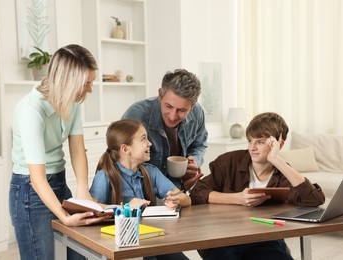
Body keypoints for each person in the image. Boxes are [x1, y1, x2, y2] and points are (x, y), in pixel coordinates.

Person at [9, 44, 106, 260]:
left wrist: (82, 189)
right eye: (86, 84)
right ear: (68, 83)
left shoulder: (73, 100)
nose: (89, 90)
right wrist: (64, 216)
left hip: (59, 182)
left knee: (81, 252)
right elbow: (36, 177)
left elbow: (77, 148)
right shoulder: (31, 111)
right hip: (30, 190)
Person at [190, 112, 325, 260]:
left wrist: (276, 159)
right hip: (226, 237)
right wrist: (238, 198)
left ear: (279, 144)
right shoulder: (229, 162)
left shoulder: (283, 173)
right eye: (250, 141)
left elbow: (314, 200)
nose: (252, 147)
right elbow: (197, 193)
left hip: (265, 239)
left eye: (260, 142)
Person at [90, 119, 191, 260]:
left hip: (151, 239)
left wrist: (176, 199)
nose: (150, 143)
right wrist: (126, 207)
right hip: (120, 245)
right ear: (126, 149)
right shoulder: (105, 176)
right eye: (143, 139)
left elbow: (186, 199)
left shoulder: (151, 172)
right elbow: (91, 209)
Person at [122, 69, 208, 191]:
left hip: (177, 192)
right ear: (160, 94)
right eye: (168, 106)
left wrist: (195, 161)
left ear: (192, 106)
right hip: (142, 191)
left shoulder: (198, 113)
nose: (173, 116)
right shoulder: (136, 115)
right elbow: (121, 161)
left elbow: (199, 145)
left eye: (182, 110)